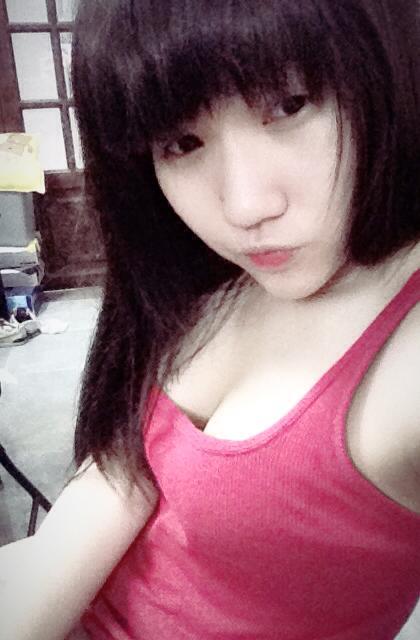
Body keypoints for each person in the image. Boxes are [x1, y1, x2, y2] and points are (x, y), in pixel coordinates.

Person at [1, 1, 420, 638]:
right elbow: (120, 478)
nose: (246, 206)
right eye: (182, 143)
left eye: (289, 106)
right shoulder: (213, 282)